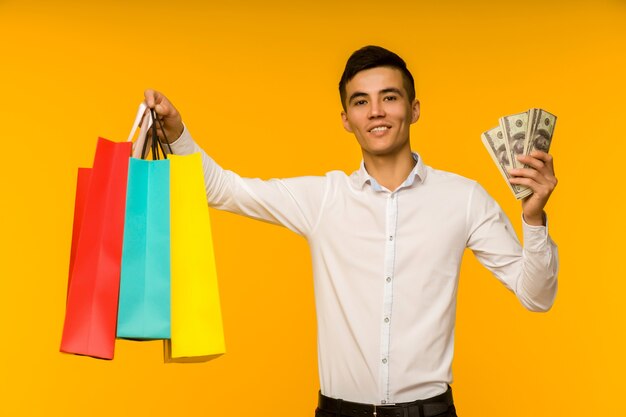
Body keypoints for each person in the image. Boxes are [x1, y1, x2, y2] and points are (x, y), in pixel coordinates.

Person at [144, 45, 558, 417]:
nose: (375, 111)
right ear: (347, 119)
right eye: (361, 102)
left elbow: (536, 296)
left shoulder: (464, 198)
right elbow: (223, 190)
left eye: (389, 97)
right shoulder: (324, 198)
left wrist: (534, 219)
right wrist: (179, 134)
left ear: (414, 109)